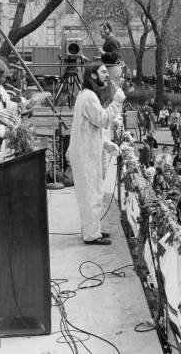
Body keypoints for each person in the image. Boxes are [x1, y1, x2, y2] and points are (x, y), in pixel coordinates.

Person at [66, 63, 125, 245]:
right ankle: (91, 235)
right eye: (103, 72)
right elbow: (102, 120)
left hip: (87, 152)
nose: (107, 76)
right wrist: (117, 102)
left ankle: (92, 230)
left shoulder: (87, 96)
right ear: (92, 75)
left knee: (92, 193)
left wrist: (106, 144)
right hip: (86, 155)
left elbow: (92, 127)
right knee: (92, 194)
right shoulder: (89, 96)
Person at [98, 22, 122, 88]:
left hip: (113, 71)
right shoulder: (108, 41)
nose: (100, 34)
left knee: (114, 92)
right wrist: (101, 56)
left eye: (101, 32)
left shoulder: (113, 41)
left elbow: (115, 55)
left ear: (107, 31)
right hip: (110, 70)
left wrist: (103, 53)